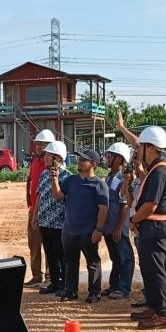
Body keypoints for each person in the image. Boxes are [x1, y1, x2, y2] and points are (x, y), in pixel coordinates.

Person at [129, 126, 166, 329]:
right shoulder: (159, 169)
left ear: (150, 148)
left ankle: (163, 312)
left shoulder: (159, 172)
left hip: (155, 227)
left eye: (141, 146)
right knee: (155, 269)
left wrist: (134, 220)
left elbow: (150, 205)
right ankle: (157, 305)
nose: (138, 150)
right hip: (158, 226)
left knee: (157, 270)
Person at [50, 149, 108, 303]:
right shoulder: (70, 180)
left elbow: (103, 209)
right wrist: (54, 179)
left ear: (94, 164)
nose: (80, 162)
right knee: (70, 262)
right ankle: (70, 291)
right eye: (80, 159)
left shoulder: (99, 185)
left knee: (93, 262)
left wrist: (98, 229)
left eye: (84, 160)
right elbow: (57, 196)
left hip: (88, 231)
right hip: (69, 230)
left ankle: (95, 292)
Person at [36, 140, 72, 295]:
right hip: (44, 220)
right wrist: (35, 216)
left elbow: (61, 198)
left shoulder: (67, 177)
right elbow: (40, 196)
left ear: (58, 158)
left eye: (48, 155)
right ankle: (54, 282)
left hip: (59, 222)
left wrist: (55, 178)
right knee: (49, 253)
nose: (45, 157)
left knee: (61, 254)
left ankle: (65, 283)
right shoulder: (43, 174)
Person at [101, 143, 135, 299]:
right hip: (109, 226)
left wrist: (119, 228)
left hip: (118, 226)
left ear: (119, 158)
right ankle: (114, 285)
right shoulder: (110, 177)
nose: (107, 158)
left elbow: (125, 205)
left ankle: (123, 288)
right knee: (115, 257)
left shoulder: (123, 179)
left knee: (125, 257)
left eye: (110, 155)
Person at [25, 129, 55, 287]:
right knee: (34, 244)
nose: (38, 147)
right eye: (37, 144)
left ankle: (51, 276)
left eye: (42, 144)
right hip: (34, 210)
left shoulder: (51, 165)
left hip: (48, 212)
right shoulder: (35, 162)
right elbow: (30, 182)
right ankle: (37, 276)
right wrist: (29, 203)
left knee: (49, 245)